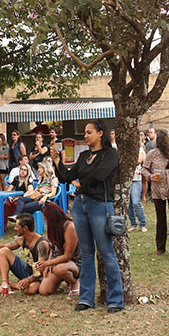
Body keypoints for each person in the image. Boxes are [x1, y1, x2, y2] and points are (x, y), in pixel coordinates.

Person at [51, 119, 124, 313]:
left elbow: (99, 176)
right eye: (84, 132)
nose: (85, 135)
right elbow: (66, 177)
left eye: (89, 132)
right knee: (86, 253)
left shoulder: (110, 154)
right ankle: (86, 298)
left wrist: (80, 183)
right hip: (80, 206)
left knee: (107, 252)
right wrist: (58, 161)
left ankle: (116, 299)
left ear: (100, 133)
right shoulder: (83, 155)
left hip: (100, 206)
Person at [0, 213, 50, 296]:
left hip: (40, 276)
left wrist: (28, 280)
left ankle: (14, 285)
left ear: (25, 228)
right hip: (27, 271)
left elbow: (40, 270)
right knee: (4, 251)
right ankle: (4, 284)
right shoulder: (21, 239)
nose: (14, 228)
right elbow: (2, 247)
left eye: (17, 226)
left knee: (32, 289)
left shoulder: (42, 244)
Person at [142, 129, 169, 256]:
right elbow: (144, 168)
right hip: (158, 189)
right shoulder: (152, 153)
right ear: (163, 139)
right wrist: (150, 177)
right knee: (161, 219)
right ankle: (160, 247)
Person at [35, 203, 80, 296]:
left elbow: (67, 256)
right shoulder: (54, 227)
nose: (45, 222)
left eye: (45, 219)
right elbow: (53, 248)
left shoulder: (70, 227)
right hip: (57, 262)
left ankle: (74, 282)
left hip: (74, 263)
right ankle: (63, 279)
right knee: (44, 290)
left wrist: (48, 263)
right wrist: (48, 264)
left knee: (59, 269)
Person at [0, 163, 34, 230]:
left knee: (14, 205)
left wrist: (20, 197)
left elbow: (30, 191)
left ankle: (15, 219)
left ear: (28, 172)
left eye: (25, 170)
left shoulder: (29, 179)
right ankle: (1, 226)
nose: (22, 171)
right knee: (5, 205)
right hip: (14, 198)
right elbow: (9, 189)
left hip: (22, 200)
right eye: (21, 169)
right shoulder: (16, 178)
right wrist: (9, 196)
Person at [128, 142, 147, 232]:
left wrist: (126, 160)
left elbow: (139, 160)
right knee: (129, 204)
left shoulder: (140, 150)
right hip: (127, 179)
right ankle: (133, 224)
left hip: (136, 179)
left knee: (136, 202)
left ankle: (142, 224)